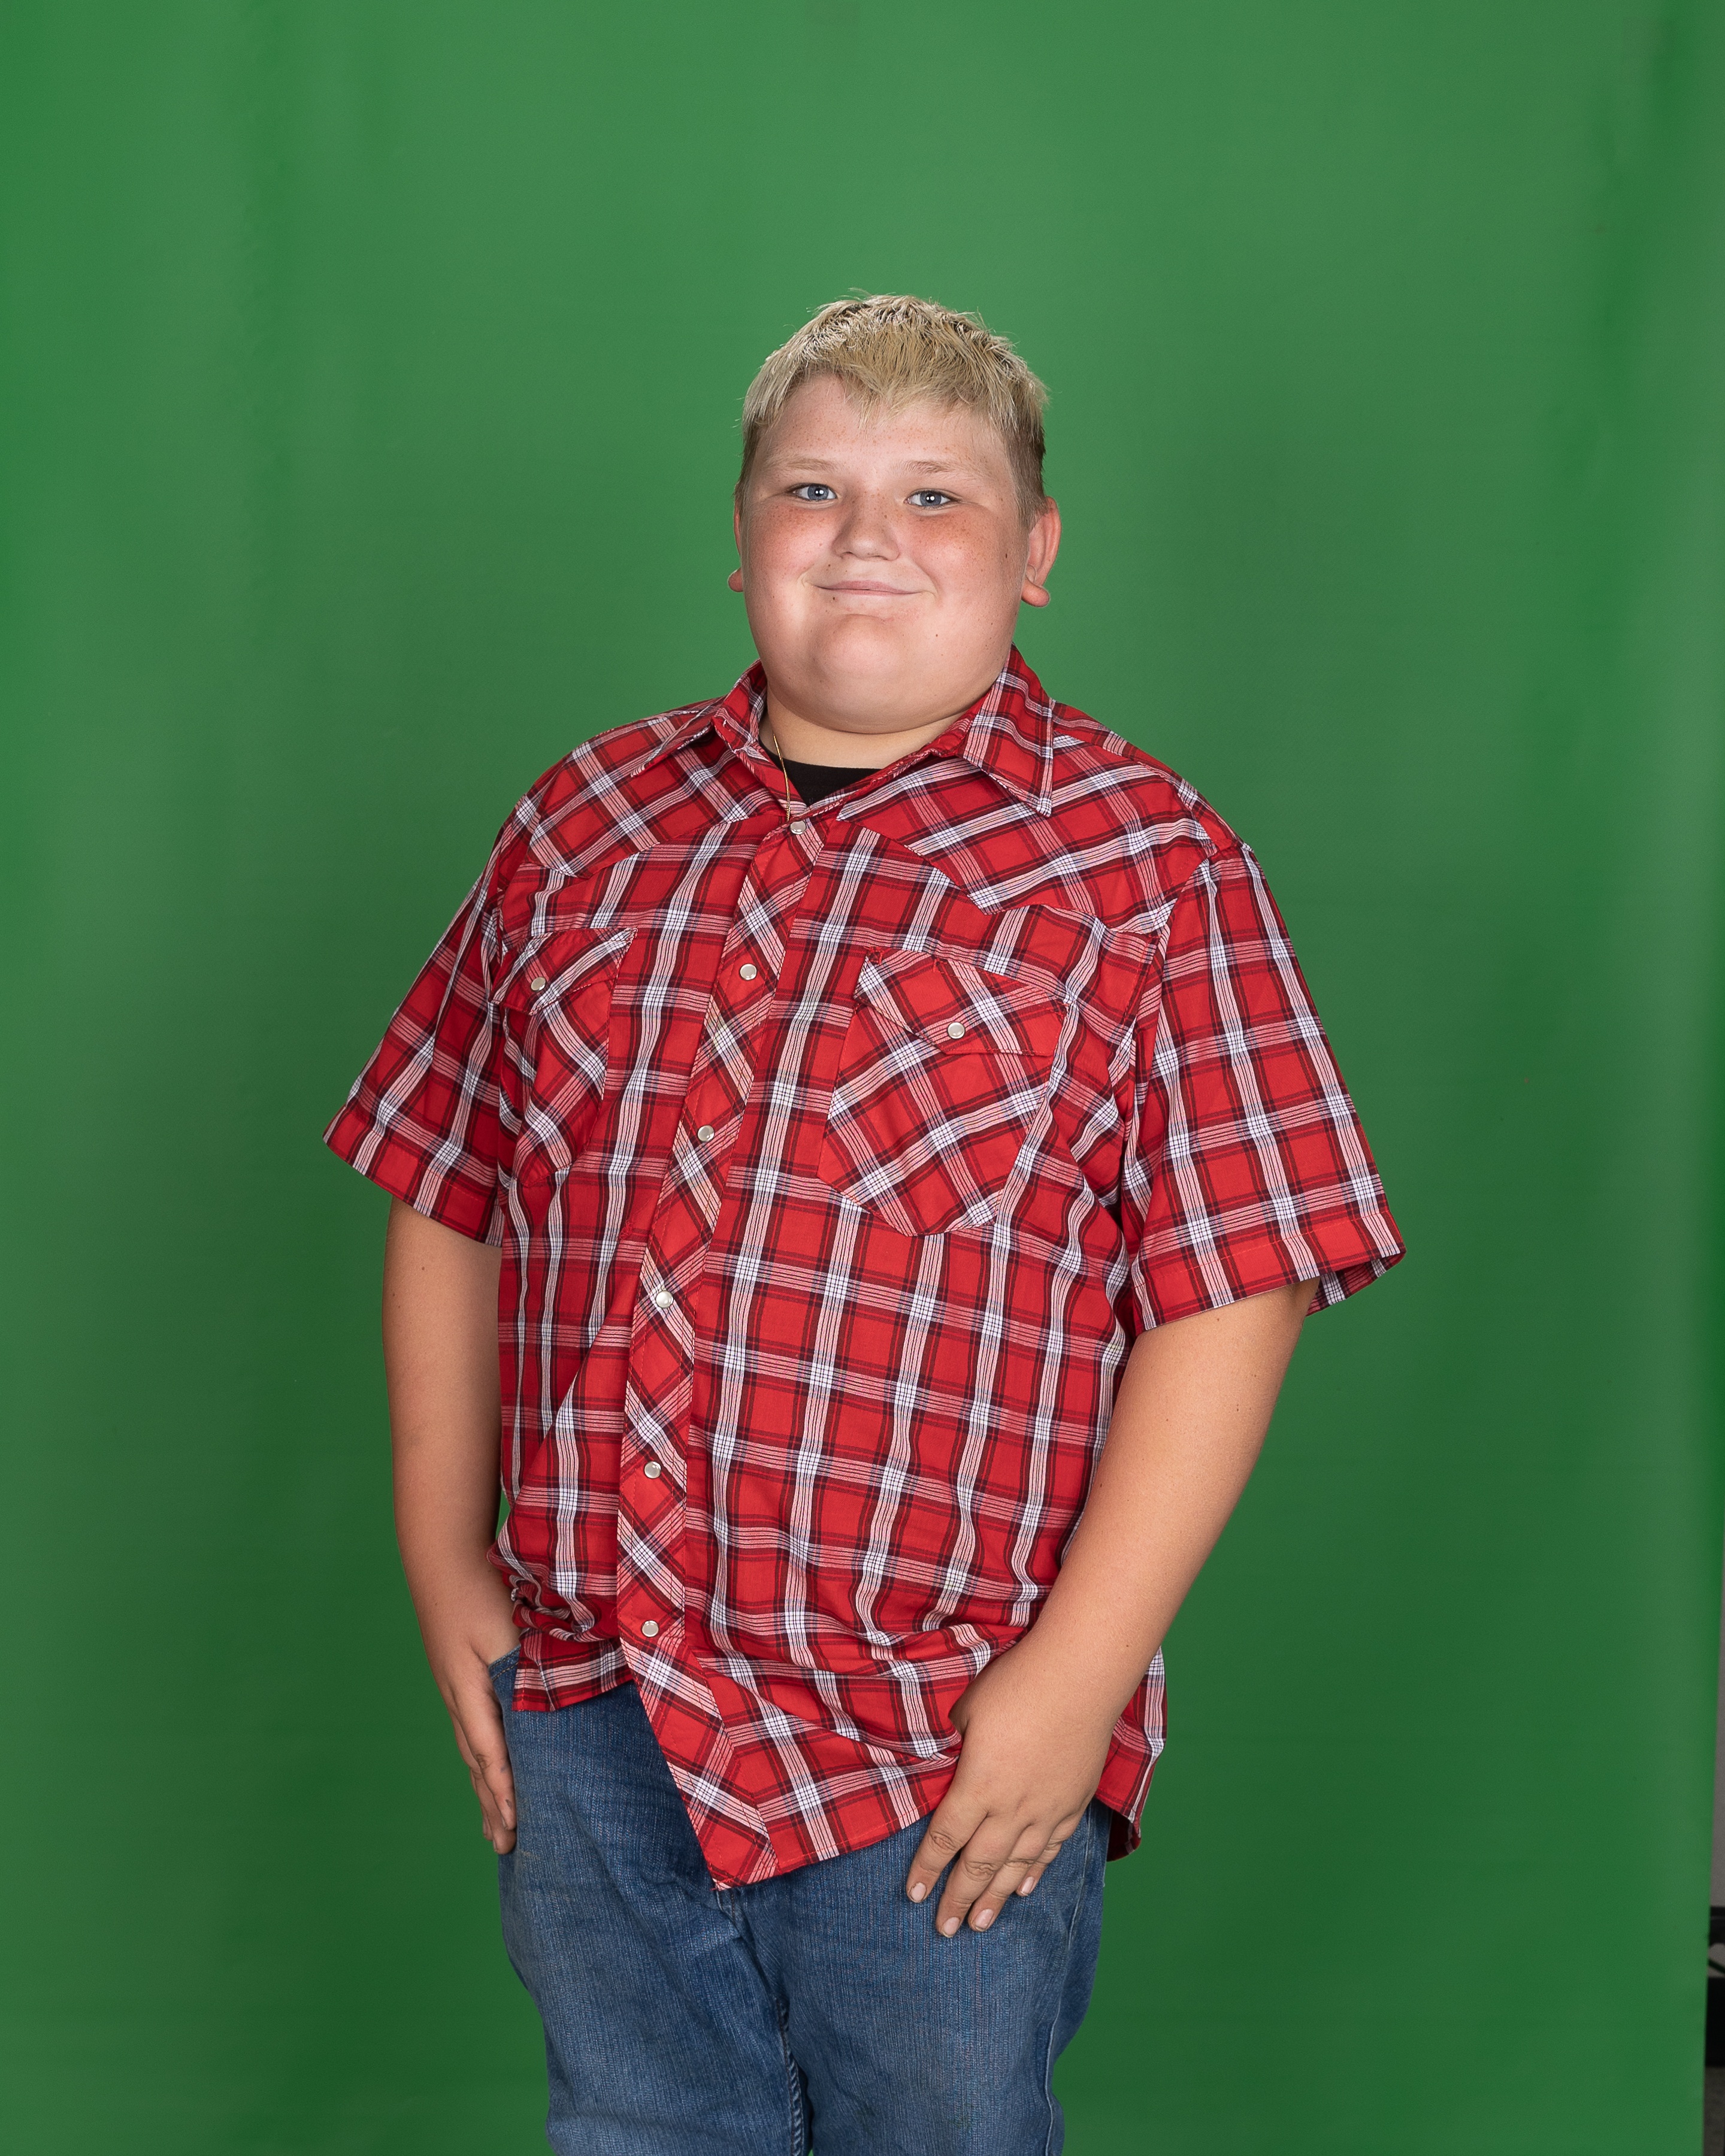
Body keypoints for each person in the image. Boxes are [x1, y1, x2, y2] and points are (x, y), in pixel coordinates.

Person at [326, 293, 1403, 2155]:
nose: (866, 537)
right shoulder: (580, 829)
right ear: (741, 532)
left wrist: (1074, 1683)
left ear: (1035, 550)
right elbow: (448, 1177)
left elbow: (1240, 1285)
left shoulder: (1148, 870)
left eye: (936, 496)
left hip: (939, 1732)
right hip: (596, 1697)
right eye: (814, 488)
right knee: (636, 2126)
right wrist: (444, 1554)